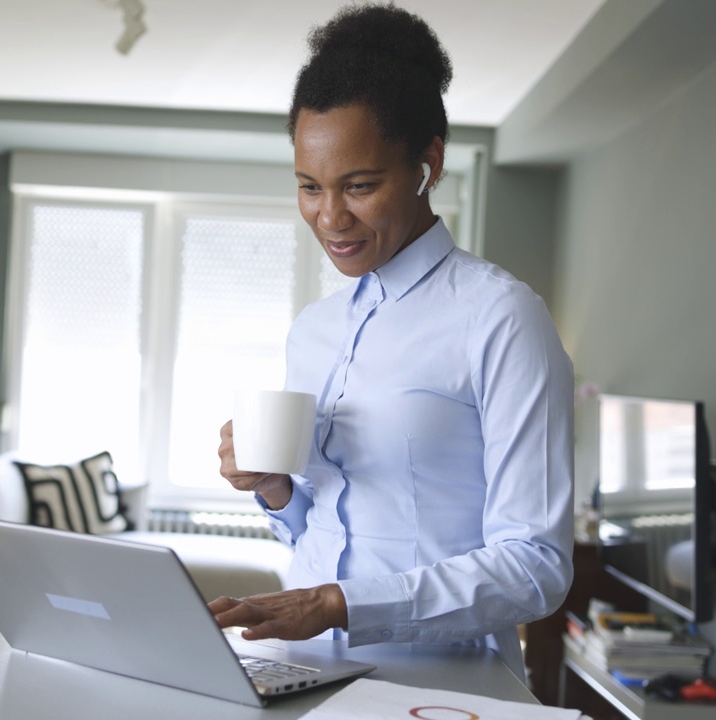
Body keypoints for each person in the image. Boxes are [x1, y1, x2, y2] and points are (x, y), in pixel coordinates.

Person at [210, 3, 574, 681]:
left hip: (442, 684)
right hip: (303, 676)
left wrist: (339, 604)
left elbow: (537, 568)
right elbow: (317, 530)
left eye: (360, 185)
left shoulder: (501, 318)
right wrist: (275, 492)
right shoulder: (313, 332)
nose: (329, 217)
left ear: (427, 162)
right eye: (309, 187)